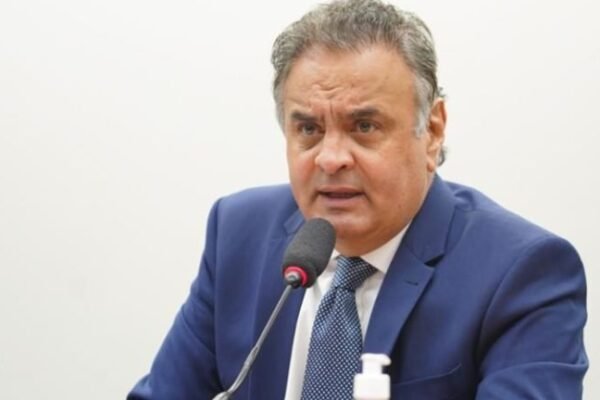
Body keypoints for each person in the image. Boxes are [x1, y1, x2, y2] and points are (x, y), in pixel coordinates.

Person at [128, 0, 588, 398]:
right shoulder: (238, 233)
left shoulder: (521, 273)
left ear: (432, 131)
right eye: (309, 129)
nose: (331, 158)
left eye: (364, 127)